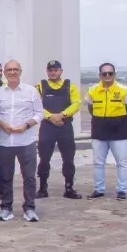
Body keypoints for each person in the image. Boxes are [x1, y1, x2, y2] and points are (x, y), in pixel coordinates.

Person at [0, 60, 44, 222]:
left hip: (26, 140)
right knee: (5, 177)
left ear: (20, 72)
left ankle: (29, 208)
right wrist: (1, 123)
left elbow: (39, 113)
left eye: (15, 70)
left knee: (29, 177)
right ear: (5, 73)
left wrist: (27, 125)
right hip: (5, 141)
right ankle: (6, 208)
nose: (12, 73)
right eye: (9, 70)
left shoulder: (31, 91)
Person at [85, 63, 127, 200]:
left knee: (122, 162)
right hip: (99, 130)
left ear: (114, 74)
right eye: (104, 73)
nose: (107, 76)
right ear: (100, 75)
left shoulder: (124, 90)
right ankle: (99, 190)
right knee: (98, 163)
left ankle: (122, 190)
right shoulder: (92, 90)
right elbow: (91, 108)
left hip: (118, 131)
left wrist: (119, 120)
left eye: (110, 73)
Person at [35, 60, 83, 199]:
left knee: (68, 159)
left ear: (61, 71)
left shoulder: (70, 87)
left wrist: (62, 115)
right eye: (50, 70)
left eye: (56, 70)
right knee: (44, 159)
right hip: (47, 127)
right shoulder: (39, 87)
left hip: (65, 127)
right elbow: (36, 105)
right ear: (47, 71)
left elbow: (76, 104)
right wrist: (51, 117)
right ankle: (42, 188)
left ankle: (69, 188)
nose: (53, 72)